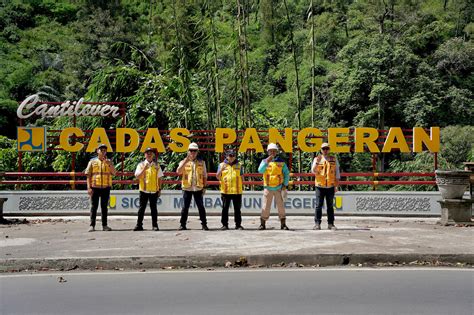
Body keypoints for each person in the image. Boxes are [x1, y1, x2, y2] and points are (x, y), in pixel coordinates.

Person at [176, 142, 209, 230]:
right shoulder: (183, 161)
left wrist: (204, 187)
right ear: (188, 151)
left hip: (198, 188)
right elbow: (178, 172)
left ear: (197, 152)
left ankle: (204, 224)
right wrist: (185, 161)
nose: (193, 153)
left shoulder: (202, 162)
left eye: (194, 151)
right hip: (187, 188)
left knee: (201, 207)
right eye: (191, 150)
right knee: (185, 207)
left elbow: (205, 175)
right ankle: (182, 225)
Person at [258, 143, 290, 230]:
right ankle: (262, 224)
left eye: (274, 151)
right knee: (265, 206)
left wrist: (285, 185)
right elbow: (260, 171)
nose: (272, 152)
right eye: (270, 151)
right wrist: (267, 161)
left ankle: (283, 224)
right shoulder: (264, 161)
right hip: (268, 188)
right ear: (267, 152)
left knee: (281, 207)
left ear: (276, 152)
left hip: (279, 188)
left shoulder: (281, 162)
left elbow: (286, 174)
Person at [85, 143, 116, 232]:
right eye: (101, 150)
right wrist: (89, 188)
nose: (103, 152)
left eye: (104, 150)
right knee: (93, 207)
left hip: (106, 188)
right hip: (95, 187)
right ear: (97, 151)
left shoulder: (109, 161)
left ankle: (104, 225)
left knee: (104, 207)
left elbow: (114, 173)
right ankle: (92, 225)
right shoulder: (92, 162)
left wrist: (110, 164)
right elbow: (88, 175)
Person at [312, 142, 341, 231]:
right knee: (318, 206)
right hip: (319, 186)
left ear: (329, 149)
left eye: (327, 148)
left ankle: (331, 224)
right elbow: (313, 171)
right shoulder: (317, 159)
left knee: (330, 206)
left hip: (330, 186)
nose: (325, 150)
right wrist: (317, 163)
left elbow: (337, 173)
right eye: (323, 149)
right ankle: (317, 224)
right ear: (321, 150)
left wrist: (336, 186)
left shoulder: (334, 159)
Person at [133, 147, 164, 231]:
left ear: (153, 155)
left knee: (154, 209)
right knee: (141, 209)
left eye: (151, 153)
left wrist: (160, 189)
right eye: (147, 153)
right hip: (144, 190)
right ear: (145, 155)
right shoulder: (141, 165)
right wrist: (144, 168)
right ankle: (139, 225)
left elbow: (160, 178)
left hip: (154, 190)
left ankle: (155, 225)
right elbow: (137, 176)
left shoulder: (157, 165)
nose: (149, 154)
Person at [216, 149, 244, 230]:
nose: (232, 157)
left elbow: (242, 177)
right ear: (226, 156)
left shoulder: (239, 165)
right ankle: (225, 225)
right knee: (225, 209)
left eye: (233, 155)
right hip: (225, 191)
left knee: (237, 209)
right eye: (230, 155)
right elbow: (217, 177)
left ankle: (238, 225)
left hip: (237, 191)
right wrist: (221, 169)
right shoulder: (221, 165)